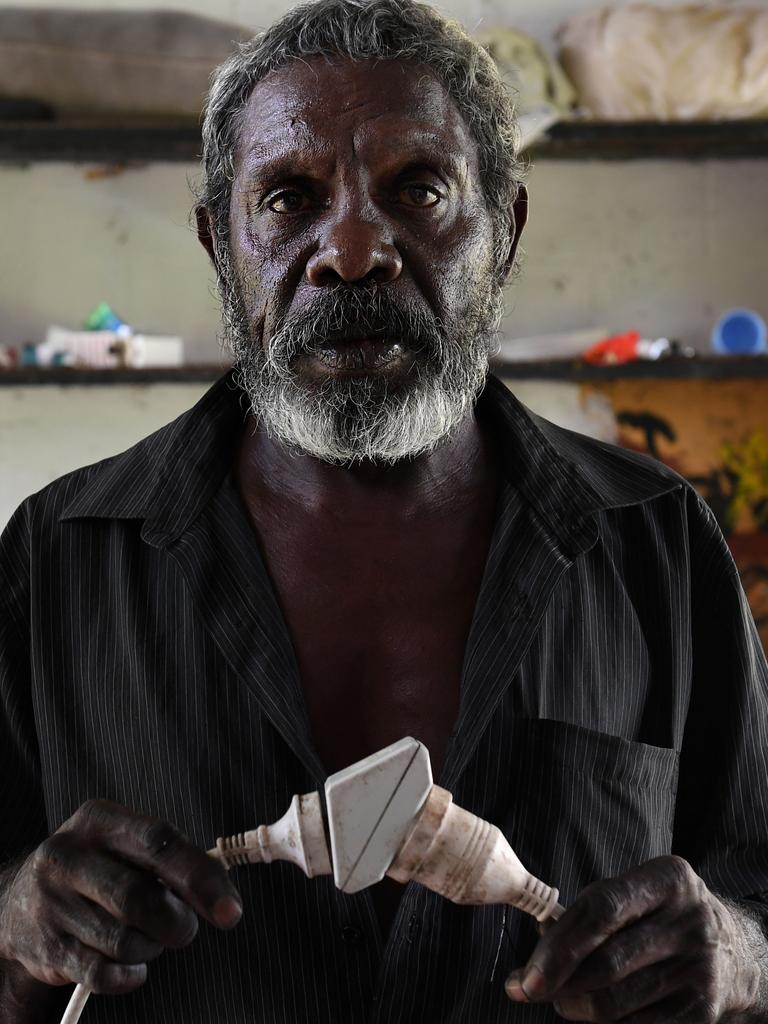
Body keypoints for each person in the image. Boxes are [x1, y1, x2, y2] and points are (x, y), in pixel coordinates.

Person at [2, 0, 768, 1020]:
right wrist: (14, 916)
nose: (353, 250)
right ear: (216, 241)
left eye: (420, 187)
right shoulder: (57, 559)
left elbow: (756, 888)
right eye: (287, 198)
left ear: (506, 227)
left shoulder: (655, 543)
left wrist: (738, 950)